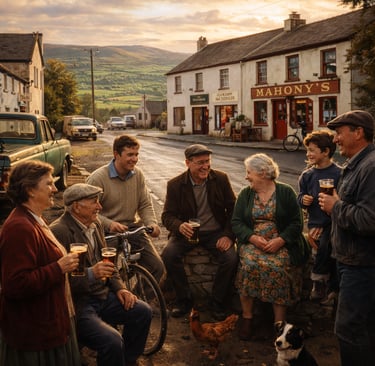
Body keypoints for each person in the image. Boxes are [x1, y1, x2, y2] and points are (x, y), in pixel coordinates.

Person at [50, 183, 152, 366]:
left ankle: (127, 360)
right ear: (76, 206)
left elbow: (107, 263)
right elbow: (58, 281)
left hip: (103, 296)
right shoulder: (59, 231)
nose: (100, 207)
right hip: (79, 304)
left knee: (143, 311)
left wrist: (121, 288)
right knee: (112, 341)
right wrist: (91, 273)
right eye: (94, 202)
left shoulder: (95, 223)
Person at [0, 160, 81, 366]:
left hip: (47, 324)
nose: (55, 188)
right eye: (48, 184)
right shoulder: (19, 228)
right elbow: (15, 284)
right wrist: (58, 267)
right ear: (30, 190)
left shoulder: (35, 219)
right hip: (34, 335)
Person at [232, 153, 310, 341]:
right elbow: (236, 222)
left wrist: (280, 240)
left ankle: (278, 325)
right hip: (253, 243)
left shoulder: (285, 192)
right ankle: (248, 318)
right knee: (249, 265)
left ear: (263, 173)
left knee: (277, 267)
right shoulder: (246, 193)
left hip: (281, 243)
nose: (246, 176)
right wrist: (252, 238)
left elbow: (296, 223)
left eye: (249, 172)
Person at [319, 110, 375, 366]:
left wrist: (335, 207)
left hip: (362, 265)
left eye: (339, 133)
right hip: (349, 261)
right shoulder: (356, 165)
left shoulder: (371, 167)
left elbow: (369, 220)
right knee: (362, 329)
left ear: (359, 132)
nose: (335, 139)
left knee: (349, 331)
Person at [161, 144, 238, 320]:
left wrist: (228, 235)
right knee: (169, 255)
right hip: (188, 234)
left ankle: (217, 302)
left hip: (215, 233)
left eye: (208, 161)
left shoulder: (220, 178)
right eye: (200, 162)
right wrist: (180, 226)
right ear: (188, 163)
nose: (205, 166)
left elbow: (234, 209)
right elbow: (167, 216)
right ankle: (184, 300)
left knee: (230, 258)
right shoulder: (175, 184)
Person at [86, 134, 165, 284]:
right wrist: (109, 224)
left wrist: (151, 223)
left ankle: (138, 301)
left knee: (157, 266)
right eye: (130, 155)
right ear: (116, 154)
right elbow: (86, 213)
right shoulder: (98, 178)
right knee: (107, 275)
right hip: (105, 231)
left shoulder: (138, 175)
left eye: (136, 154)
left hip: (131, 227)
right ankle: (114, 300)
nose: (134, 159)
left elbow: (145, 204)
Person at [297, 130, 341, 303]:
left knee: (329, 247)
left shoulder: (340, 173)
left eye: (312, 150)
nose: (308, 154)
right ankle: (322, 284)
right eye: (307, 150)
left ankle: (325, 284)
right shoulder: (307, 176)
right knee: (321, 246)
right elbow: (300, 198)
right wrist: (303, 199)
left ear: (326, 151)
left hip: (334, 223)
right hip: (315, 223)